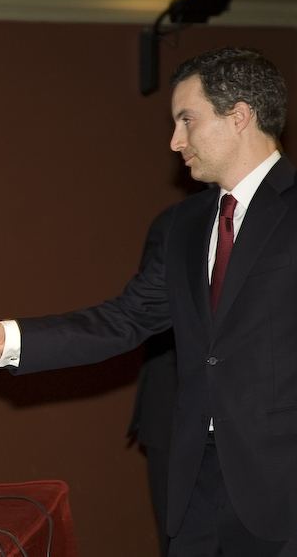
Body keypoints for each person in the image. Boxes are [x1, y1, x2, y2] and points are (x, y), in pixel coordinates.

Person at [0, 47, 297, 556]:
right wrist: (4, 338)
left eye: (187, 120)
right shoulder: (184, 224)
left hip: (292, 490)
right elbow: (124, 318)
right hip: (192, 483)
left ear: (240, 116)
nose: (174, 141)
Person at [126, 206, 179, 557]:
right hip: (174, 413)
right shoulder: (177, 222)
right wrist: (13, 341)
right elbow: (138, 314)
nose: (177, 145)